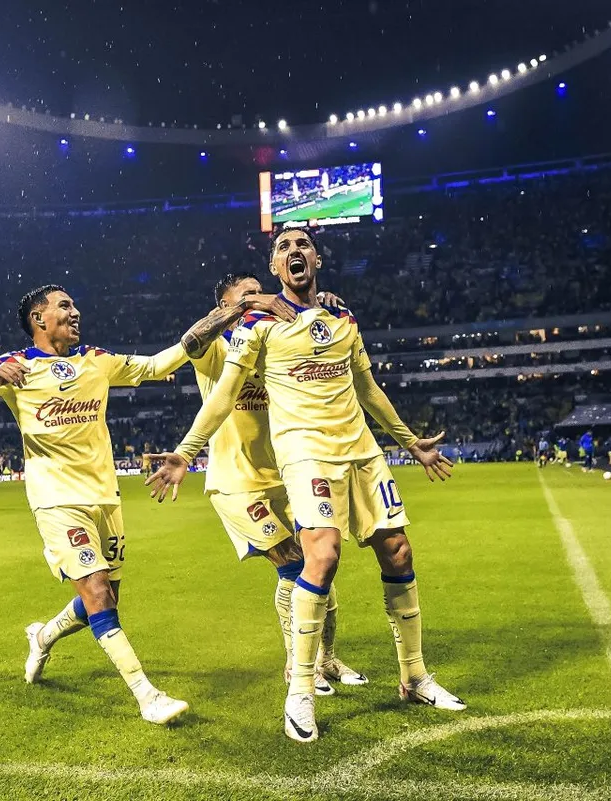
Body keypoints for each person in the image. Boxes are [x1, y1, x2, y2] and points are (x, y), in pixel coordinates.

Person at [146, 229, 462, 743]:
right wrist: (186, 450)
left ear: (317, 259)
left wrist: (410, 443)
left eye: (303, 244)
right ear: (275, 267)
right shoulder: (256, 324)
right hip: (304, 453)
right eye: (283, 247)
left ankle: (414, 677)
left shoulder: (342, 317)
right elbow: (223, 392)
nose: (294, 250)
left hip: (361, 450)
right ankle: (300, 689)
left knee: (399, 551)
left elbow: (367, 388)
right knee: (321, 555)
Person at [0, 283, 293, 726]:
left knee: (106, 597)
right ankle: (147, 695)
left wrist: (220, 319)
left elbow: (159, 364)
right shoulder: (15, 366)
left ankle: (43, 637)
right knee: (96, 591)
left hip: (105, 497)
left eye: (74, 304)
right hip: (55, 500)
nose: (75, 312)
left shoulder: (97, 359)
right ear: (38, 318)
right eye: (65, 306)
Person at [182, 272, 366, 697]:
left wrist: (319, 305)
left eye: (259, 291)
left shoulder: (270, 339)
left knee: (321, 566)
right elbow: (190, 341)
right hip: (236, 483)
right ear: (225, 307)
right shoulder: (218, 350)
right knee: (294, 565)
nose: (261, 298)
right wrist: (246, 307)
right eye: (246, 295)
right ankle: (296, 666)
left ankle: (327, 658)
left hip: (285, 476)